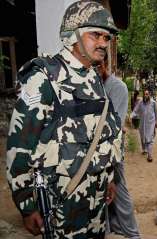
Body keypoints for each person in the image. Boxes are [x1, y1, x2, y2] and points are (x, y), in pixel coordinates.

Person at [6, 1, 122, 237]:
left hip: (96, 204)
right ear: (73, 35)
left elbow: (101, 135)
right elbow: (19, 147)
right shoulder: (44, 79)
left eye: (107, 38)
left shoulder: (93, 78)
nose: (103, 43)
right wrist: (27, 207)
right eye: (95, 35)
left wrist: (110, 178)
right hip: (60, 206)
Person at [98, 61, 141, 239]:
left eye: (96, 67)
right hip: (91, 156)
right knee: (100, 195)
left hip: (111, 153)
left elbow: (112, 128)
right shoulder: (90, 85)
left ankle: (133, 233)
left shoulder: (118, 88)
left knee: (119, 190)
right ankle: (109, 227)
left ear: (103, 65)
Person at [132, 89, 157, 162]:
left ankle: (149, 155)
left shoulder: (153, 103)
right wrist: (131, 116)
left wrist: (156, 121)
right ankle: (144, 149)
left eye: (147, 94)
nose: (145, 95)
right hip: (142, 123)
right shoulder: (140, 102)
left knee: (149, 138)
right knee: (142, 137)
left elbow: (156, 113)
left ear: (149, 95)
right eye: (144, 94)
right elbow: (135, 110)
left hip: (151, 124)